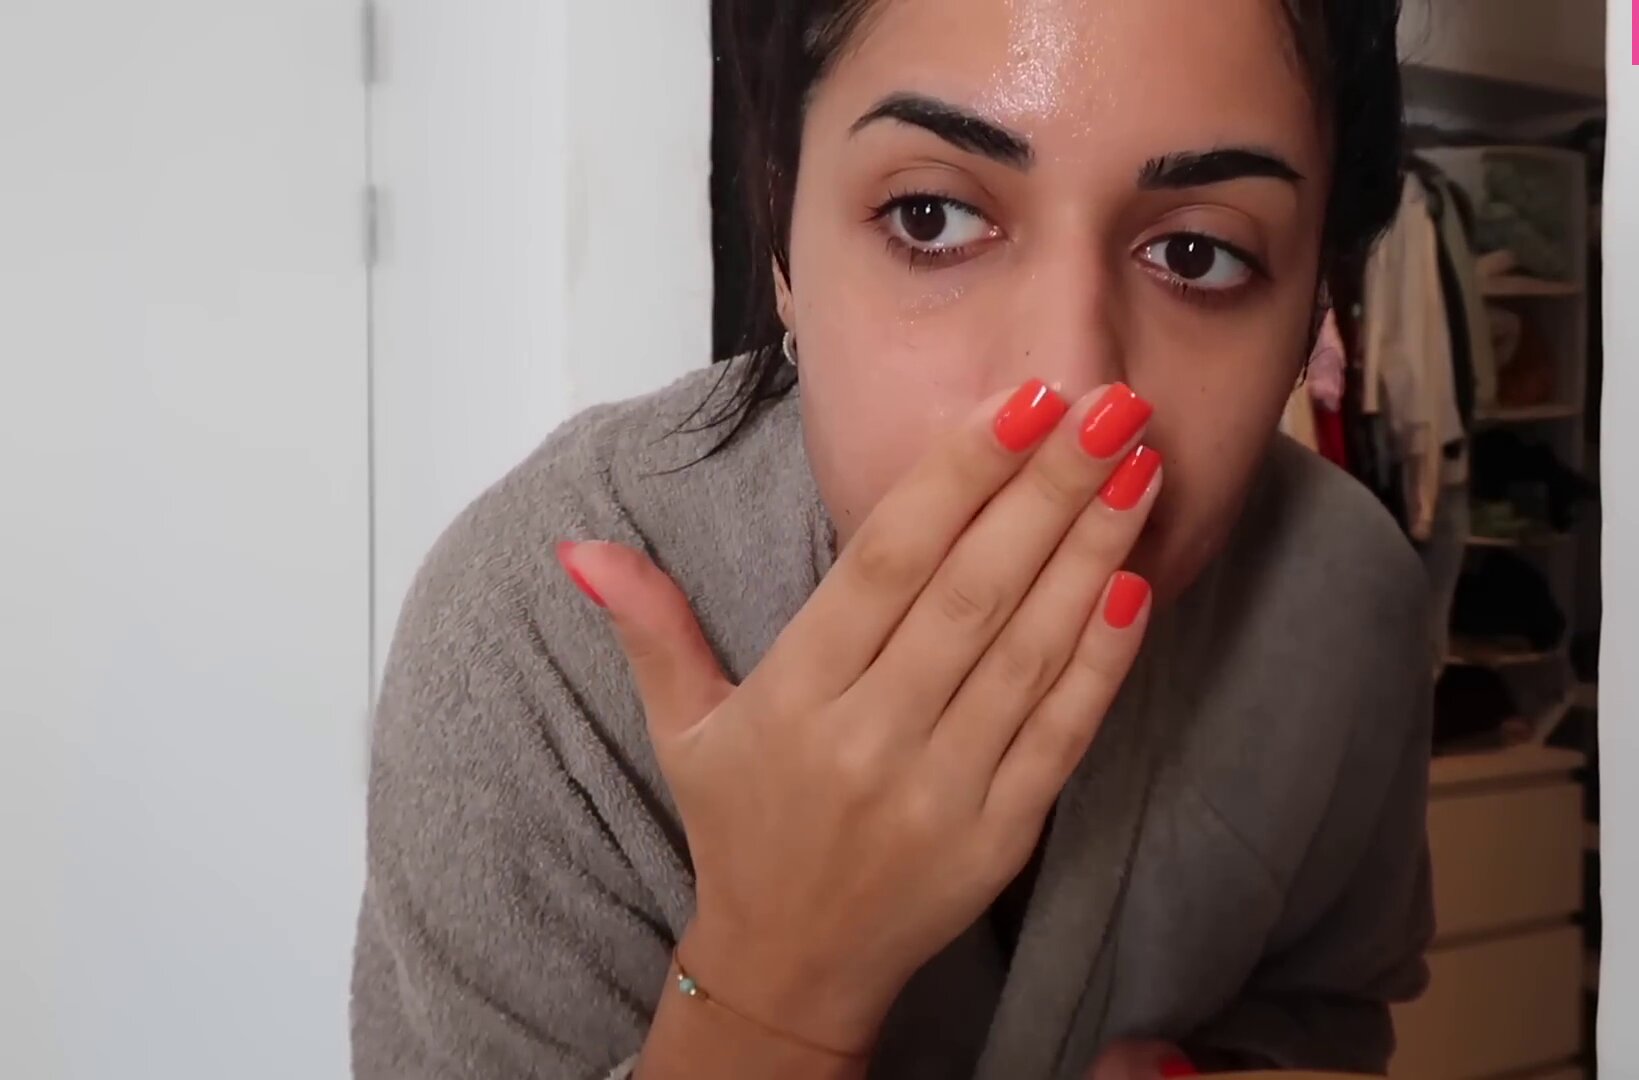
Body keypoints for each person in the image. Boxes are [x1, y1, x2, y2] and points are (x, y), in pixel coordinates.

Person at [349, 1, 1433, 1078]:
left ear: (1311, 321)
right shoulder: (537, 644)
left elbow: (1325, 1012)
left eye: (1197, 254)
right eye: (931, 219)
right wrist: (771, 992)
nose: (1068, 389)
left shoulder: (1344, 604)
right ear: (783, 235)